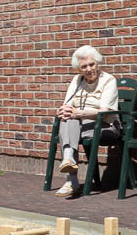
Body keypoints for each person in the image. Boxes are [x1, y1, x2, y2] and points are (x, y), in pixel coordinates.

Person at [48, 45, 120, 197]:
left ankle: (70, 179)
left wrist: (78, 113)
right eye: (84, 67)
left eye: (91, 64)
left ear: (98, 63)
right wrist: (62, 110)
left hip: (106, 126)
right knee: (67, 117)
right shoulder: (77, 80)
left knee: (71, 118)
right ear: (78, 69)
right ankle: (69, 163)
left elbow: (106, 113)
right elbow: (67, 104)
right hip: (82, 125)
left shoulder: (108, 80)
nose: (89, 69)